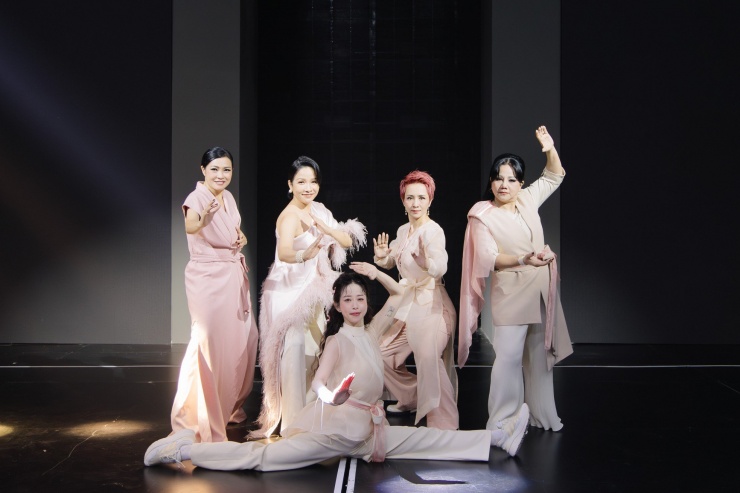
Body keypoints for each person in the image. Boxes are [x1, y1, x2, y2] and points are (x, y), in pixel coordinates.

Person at [144, 272, 530, 471]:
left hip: (368, 432)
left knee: (428, 441)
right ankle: (185, 449)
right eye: (348, 299)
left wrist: (374, 272)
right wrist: (334, 396)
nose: (356, 304)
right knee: (263, 460)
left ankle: (497, 439)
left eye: (360, 298)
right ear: (338, 305)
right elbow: (317, 385)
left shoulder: (372, 332)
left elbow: (400, 295)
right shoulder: (337, 341)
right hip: (335, 432)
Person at [459, 126, 573, 432]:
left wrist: (549, 148)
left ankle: (541, 415)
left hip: (540, 288)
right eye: (498, 178)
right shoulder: (482, 215)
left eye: (511, 179)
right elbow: (488, 257)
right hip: (512, 290)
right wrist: (523, 259)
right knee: (508, 358)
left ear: (520, 183)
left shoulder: (526, 199)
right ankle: (502, 421)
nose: (504, 184)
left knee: (539, 356)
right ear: (491, 181)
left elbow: (554, 175)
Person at [251, 156, 366, 438]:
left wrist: (328, 230)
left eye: (313, 182)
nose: (308, 187)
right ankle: (293, 422)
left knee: (316, 349)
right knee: (294, 349)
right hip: (288, 288)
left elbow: (347, 240)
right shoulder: (288, 216)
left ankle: (312, 413)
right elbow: (284, 253)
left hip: (314, 286)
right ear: (290, 185)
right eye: (301, 182)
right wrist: (305, 254)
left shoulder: (320, 210)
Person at [169, 147, 258, 442]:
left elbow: (234, 230)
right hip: (207, 277)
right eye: (215, 169)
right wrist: (203, 220)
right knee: (207, 342)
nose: (221, 175)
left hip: (231, 275)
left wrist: (241, 236)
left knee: (241, 340)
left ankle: (227, 405)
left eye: (227, 170)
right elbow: (191, 225)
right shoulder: (197, 198)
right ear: (203, 170)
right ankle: (196, 413)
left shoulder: (228, 197)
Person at [372, 170, 458, 430]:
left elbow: (441, 264)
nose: (415, 203)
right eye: (410, 198)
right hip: (408, 305)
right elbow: (394, 260)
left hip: (432, 304)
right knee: (378, 354)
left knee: (428, 355)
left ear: (430, 200)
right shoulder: (403, 230)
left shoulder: (434, 231)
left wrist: (427, 263)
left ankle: (443, 422)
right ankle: (413, 397)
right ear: (403, 200)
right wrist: (383, 257)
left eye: (421, 197)